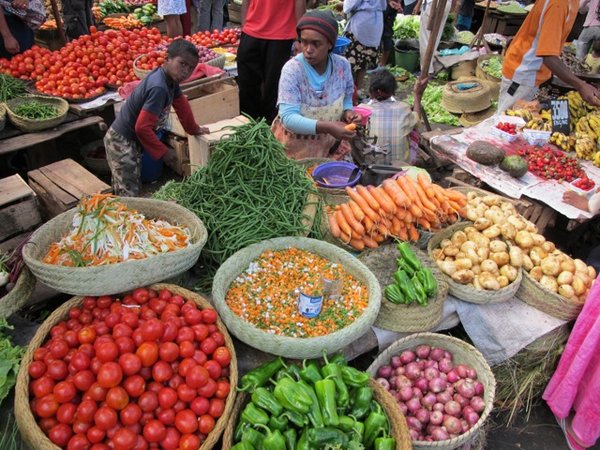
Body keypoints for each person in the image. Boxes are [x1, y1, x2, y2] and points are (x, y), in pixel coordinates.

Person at [104, 40, 209, 196]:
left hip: (130, 140)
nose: (186, 71)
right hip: (122, 141)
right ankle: (123, 217)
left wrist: (194, 129)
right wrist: (164, 152)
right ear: (167, 59)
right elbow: (142, 127)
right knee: (128, 191)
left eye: (191, 67)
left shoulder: (170, 80)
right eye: (182, 64)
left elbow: (181, 104)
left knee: (128, 182)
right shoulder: (159, 87)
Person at [273, 10, 361, 159]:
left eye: (316, 43)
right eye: (304, 42)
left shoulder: (342, 66)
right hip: (295, 148)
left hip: (331, 145)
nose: (308, 50)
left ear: (329, 44)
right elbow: (288, 118)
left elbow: (346, 97)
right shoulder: (293, 70)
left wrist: (348, 112)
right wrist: (328, 127)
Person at [498, 0, 600, 112]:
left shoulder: (572, 3)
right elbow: (547, 55)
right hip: (523, 73)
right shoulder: (558, 5)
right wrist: (580, 85)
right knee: (506, 121)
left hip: (534, 74)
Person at [237, 0, 305, 123]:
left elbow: (300, 2)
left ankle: (270, 129)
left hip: (280, 35)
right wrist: (244, 26)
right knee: (246, 85)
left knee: (274, 89)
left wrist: (299, 37)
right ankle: (248, 126)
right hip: (251, 32)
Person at [361, 69, 425, 164]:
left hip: (373, 168)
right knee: (413, 130)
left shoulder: (362, 109)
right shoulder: (404, 108)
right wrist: (417, 95)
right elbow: (417, 121)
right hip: (401, 166)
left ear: (377, 91)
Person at [342, 0, 386, 98]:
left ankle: (349, 93)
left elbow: (349, 5)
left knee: (351, 61)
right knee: (364, 62)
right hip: (376, 21)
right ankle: (358, 91)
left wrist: (344, 7)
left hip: (363, 22)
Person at [418, 0, 456, 74]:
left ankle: (426, 70)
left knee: (425, 39)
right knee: (436, 35)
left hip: (433, 4)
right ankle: (429, 65)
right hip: (446, 3)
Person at [378, 1, 402, 68]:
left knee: (386, 34)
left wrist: (398, 3)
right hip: (381, 6)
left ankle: (382, 63)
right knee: (379, 32)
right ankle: (379, 61)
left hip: (389, 7)